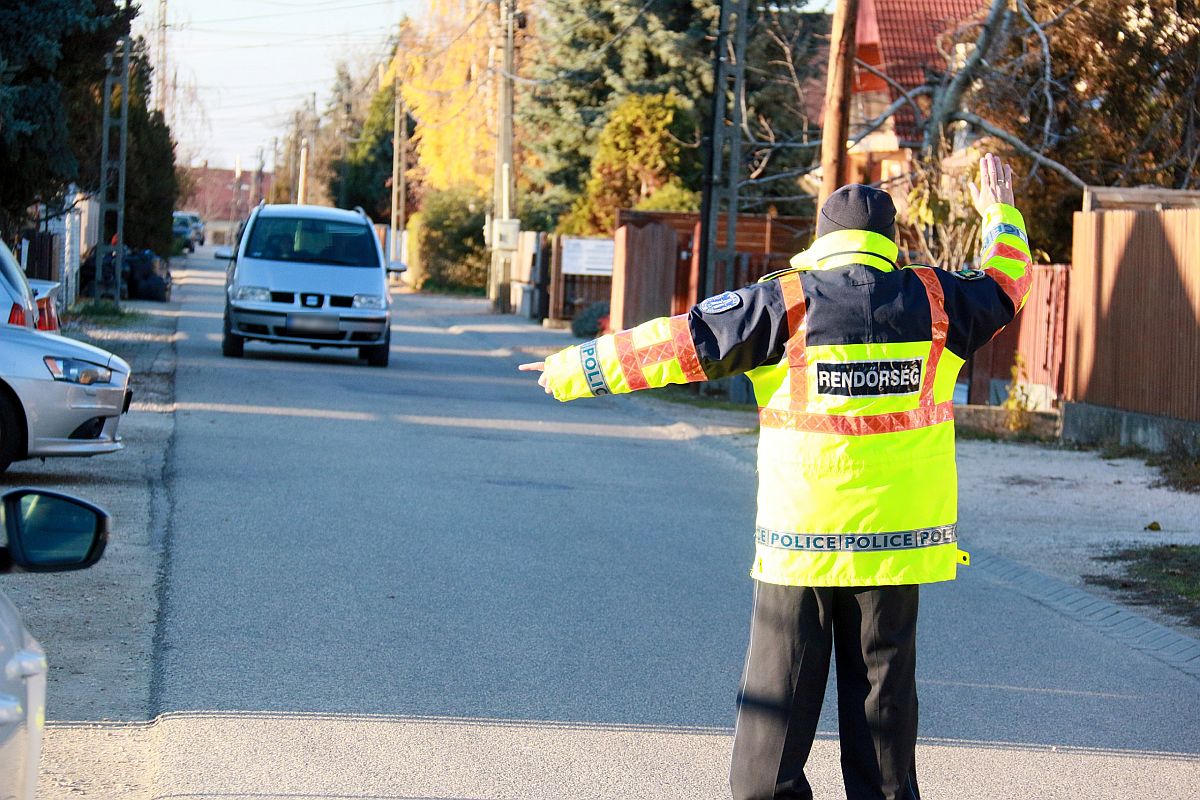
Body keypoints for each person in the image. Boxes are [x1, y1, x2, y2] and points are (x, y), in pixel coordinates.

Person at [519, 153, 1030, 800]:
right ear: (891, 243)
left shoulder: (784, 303)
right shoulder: (938, 302)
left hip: (802, 547)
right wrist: (999, 211)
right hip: (898, 548)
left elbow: (679, 343)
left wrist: (572, 370)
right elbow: (1008, 280)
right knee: (885, 719)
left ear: (822, 237)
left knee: (773, 727)